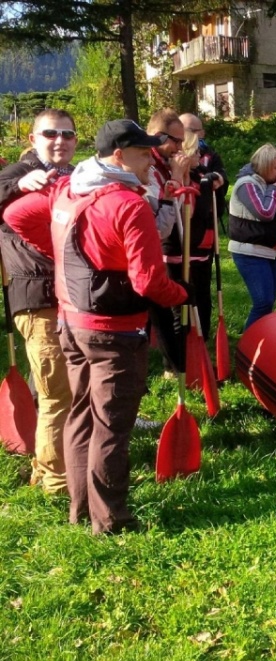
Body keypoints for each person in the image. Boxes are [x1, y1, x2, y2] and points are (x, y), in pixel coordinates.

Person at [4, 119, 191, 534]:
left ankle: (81, 507)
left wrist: (60, 249)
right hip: (115, 329)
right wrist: (180, 294)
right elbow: (147, 282)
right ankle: (112, 520)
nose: (151, 162)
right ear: (120, 156)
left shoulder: (69, 189)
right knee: (110, 424)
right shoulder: (129, 203)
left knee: (82, 418)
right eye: (145, 155)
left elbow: (18, 214)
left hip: (71, 323)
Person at [0, 108, 77, 494]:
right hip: (37, 297)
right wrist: (17, 185)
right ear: (33, 139)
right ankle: (57, 483)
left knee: (66, 390)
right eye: (50, 134)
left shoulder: (74, 177)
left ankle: (47, 465)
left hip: (72, 297)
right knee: (57, 393)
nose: (59, 140)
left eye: (67, 134)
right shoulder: (16, 173)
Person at [145, 109, 192, 374]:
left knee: (161, 311)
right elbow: (161, 225)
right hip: (154, 248)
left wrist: (181, 177)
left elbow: (184, 209)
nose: (179, 147)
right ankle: (172, 367)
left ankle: (174, 366)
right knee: (159, 311)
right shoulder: (148, 167)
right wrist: (175, 177)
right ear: (157, 136)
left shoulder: (166, 164)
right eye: (175, 140)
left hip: (163, 243)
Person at [228, 143, 276, 330]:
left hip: (271, 252)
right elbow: (264, 212)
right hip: (250, 252)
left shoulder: (269, 182)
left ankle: (261, 341)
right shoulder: (246, 184)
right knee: (262, 302)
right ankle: (248, 342)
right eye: (275, 167)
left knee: (269, 302)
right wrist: (274, 189)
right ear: (264, 166)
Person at [178, 113, 228, 339]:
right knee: (182, 301)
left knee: (203, 295)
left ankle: (202, 340)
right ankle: (181, 351)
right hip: (184, 250)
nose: (196, 140)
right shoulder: (181, 176)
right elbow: (193, 214)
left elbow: (220, 186)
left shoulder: (209, 160)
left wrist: (214, 182)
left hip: (205, 245)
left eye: (197, 131)